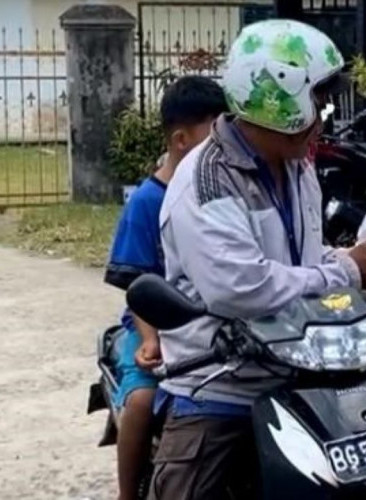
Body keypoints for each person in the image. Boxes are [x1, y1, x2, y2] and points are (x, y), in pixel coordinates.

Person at [150, 20, 366, 500]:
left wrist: (353, 258)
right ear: (282, 94)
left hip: (301, 371)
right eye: (319, 100)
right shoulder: (207, 180)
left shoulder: (298, 165)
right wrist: (349, 270)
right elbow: (240, 287)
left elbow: (298, 258)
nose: (324, 117)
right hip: (223, 383)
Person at [104, 75, 229, 500]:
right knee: (141, 399)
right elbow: (138, 282)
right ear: (180, 139)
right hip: (151, 322)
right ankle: (127, 492)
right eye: (213, 135)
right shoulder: (146, 201)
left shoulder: (221, 193)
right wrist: (150, 339)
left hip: (207, 323)